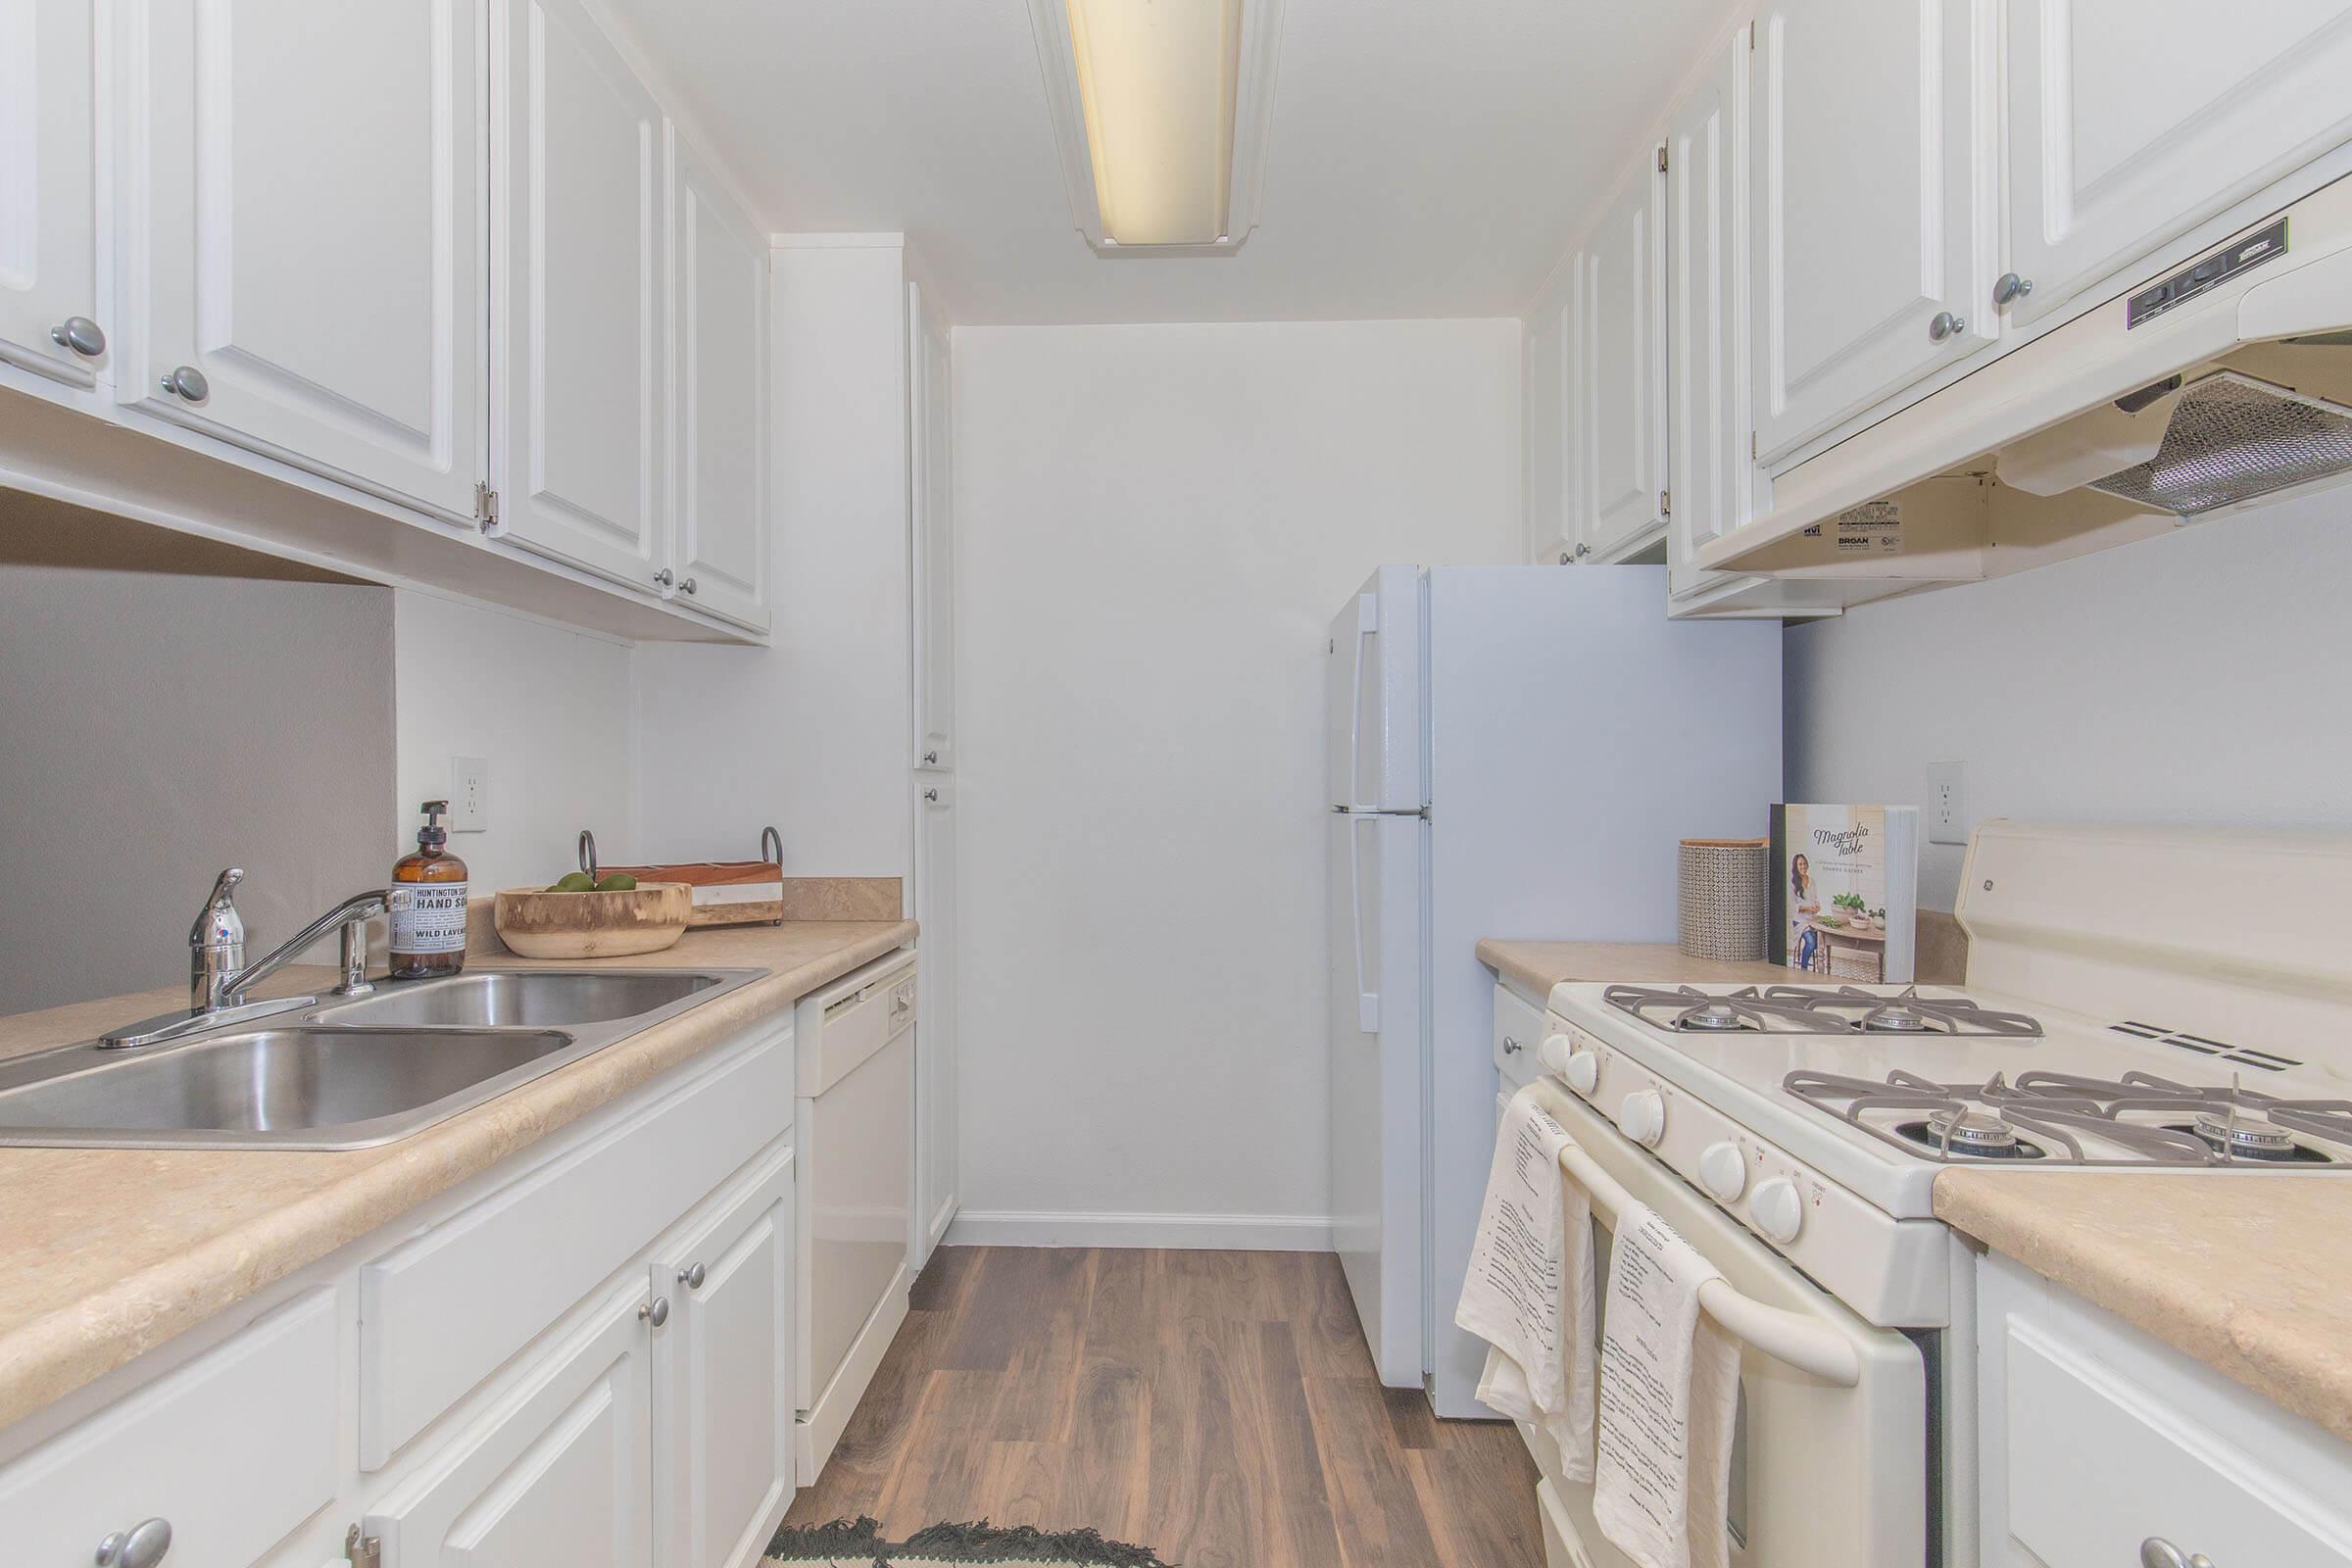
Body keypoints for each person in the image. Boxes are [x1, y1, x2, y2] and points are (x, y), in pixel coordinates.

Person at [1790, 852, 1820, 973]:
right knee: (1812, 942)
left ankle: (1806, 956)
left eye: (1804, 864)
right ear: (1796, 867)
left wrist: (1817, 906)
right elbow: (1792, 906)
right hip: (1799, 920)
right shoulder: (1792, 883)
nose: (1803, 866)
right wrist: (1807, 908)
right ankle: (1803, 968)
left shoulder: (1812, 881)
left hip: (1811, 919)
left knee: (1820, 941)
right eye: (1800, 864)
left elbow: (1815, 899)